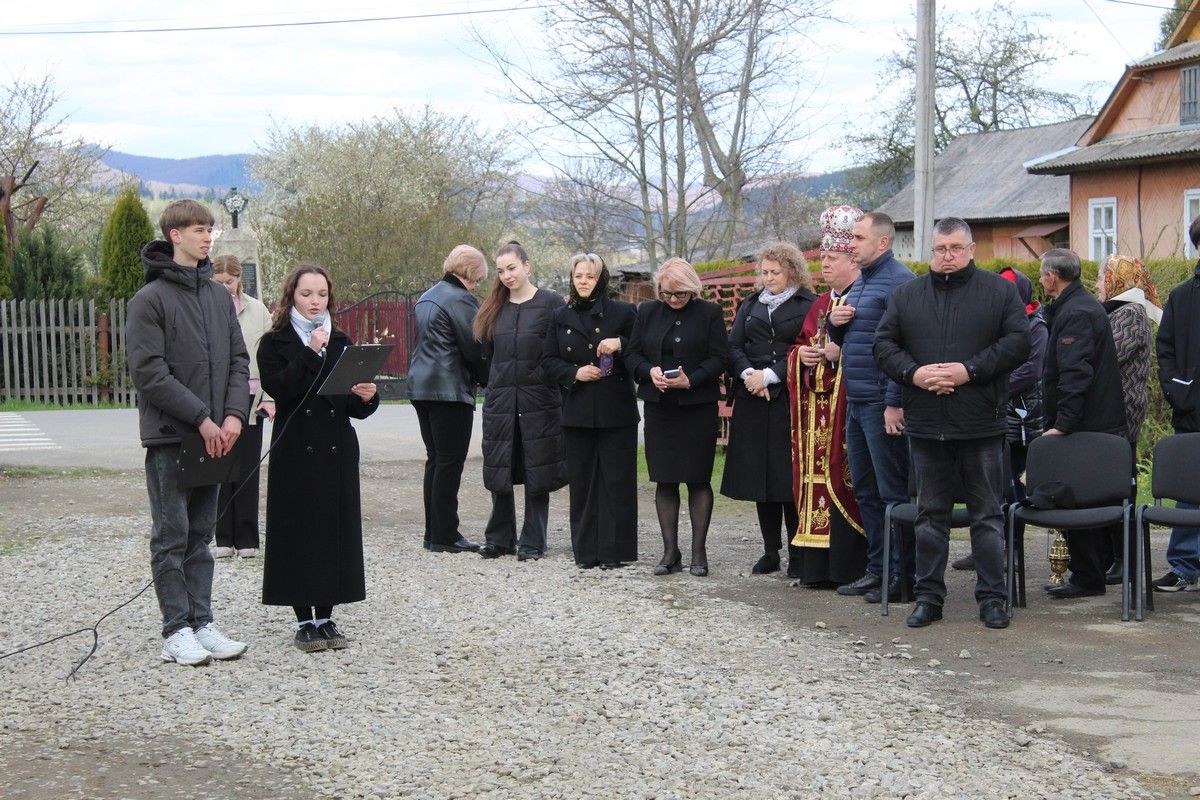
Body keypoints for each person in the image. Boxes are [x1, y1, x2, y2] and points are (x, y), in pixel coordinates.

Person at [875, 217, 1030, 629]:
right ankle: (928, 598)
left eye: (955, 249)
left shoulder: (999, 292)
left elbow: (1018, 342)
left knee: (987, 515)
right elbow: (883, 345)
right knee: (930, 517)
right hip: (926, 424)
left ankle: (993, 599)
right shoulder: (907, 295)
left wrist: (969, 370)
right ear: (931, 251)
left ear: (971, 249)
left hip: (981, 422)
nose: (947, 257)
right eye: (940, 249)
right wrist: (915, 374)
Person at [126, 199, 249, 666]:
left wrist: (235, 415)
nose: (207, 237)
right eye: (199, 229)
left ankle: (202, 622)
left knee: (201, 536)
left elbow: (239, 360)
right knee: (172, 536)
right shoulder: (149, 300)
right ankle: (175, 630)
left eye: (211, 229)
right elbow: (150, 374)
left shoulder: (218, 297)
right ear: (174, 235)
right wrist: (201, 417)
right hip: (171, 437)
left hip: (218, 433)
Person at [258, 263, 379, 652]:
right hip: (295, 448)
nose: (315, 302)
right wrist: (310, 353)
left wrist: (367, 397)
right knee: (297, 530)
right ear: (292, 295)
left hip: (336, 449)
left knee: (332, 530)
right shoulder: (274, 342)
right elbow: (281, 389)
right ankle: (302, 619)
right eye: (307, 294)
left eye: (322, 295)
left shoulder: (341, 340)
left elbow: (350, 408)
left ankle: (326, 616)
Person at [831, 209, 916, 604]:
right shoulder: (862, 283)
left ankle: (903, 575)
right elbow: (855, 339)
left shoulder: (900, 283)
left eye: (859, 238)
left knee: (892, 492)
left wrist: (893, 403)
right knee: (865, 489)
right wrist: (835, 323)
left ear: (882, 242)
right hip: (857, 399)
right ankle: (878, 568)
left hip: (882, 404)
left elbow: (906, 349)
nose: (851, 245)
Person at [626, 258, 729, 577]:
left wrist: (693, 379)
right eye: (668, 293)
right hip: (660, 407)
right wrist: (649, 371)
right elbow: (632, 355)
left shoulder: (709, 313)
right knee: (665, 479)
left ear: (693, 289)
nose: (673, 299)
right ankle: (671, 551)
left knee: (698, 479)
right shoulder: (646, 312)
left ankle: (699, 552)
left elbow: (720, 357)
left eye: (680, 294)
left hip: (697, 406)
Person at [720, 243, 816, 576]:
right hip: (752, 399)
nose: (769, 278)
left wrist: (772, 375)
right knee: (760, 478)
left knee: (787, 476)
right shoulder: (750, 304)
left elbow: (806, 347)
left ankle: (798, 551)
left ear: (792, 270)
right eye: (765, 272)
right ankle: (770, 550)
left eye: (775, 272)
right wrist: (748, 375)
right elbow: (733, 344)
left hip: (788, 398)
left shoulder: (808, 303)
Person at [1038, 248, 1128, 599]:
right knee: (1082, 502)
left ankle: (1088, 577)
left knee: (1078, 500)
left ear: (1054, 276)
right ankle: (1089, 575)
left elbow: (1076, 373)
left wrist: (1063, 423)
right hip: (1091, 423)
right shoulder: (1080, 306)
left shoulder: (1075, 313)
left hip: (1084, 426)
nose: (1042, 280)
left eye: (1044, 274)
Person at [542, 253, 640, 568]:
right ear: (571, 279)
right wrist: (575, 374)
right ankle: (585, 551)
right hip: (578, 409)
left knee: (616, 482)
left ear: (602, 279)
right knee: (582, 482)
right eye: (578, 276)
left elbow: (642, 350)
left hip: (616, 410)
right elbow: (548, 361)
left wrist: (620, 344)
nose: (583, 281)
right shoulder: (559, 315)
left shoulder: (624, 312)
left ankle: (615, 552)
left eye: (590, 276)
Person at [786, 213, 867, 587]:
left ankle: (849, 568)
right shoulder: (820, 304)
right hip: (814, 413)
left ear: (853, 261)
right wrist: (801, 358)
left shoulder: (865, 300)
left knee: (846, 478)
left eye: (831, 259)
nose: (825, 265)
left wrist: (840, 353)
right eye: (822, 259)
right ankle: (816, 569)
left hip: (847, 411)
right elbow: (801, 345)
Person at [474, 241, 567, 561]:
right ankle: (499, 538)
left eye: (511, 268)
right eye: (500, 271)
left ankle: (533, 540)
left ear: (527, 266)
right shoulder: (493, 307)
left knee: (536, 470)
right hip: (501, 401)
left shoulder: (552, 304)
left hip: (539, 400)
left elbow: (560, 352)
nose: (506, 276)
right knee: (499, 469)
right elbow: (486, 355)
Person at [952, 266, 1048, 572]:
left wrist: (989, 383)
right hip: (991, 415)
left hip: (1022, 419)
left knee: (1014, 489)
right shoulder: (989, 323)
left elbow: (1030, 371)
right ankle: (986, 549)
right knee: (987, 487)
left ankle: (1011, 550)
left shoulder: (1035, 326)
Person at [407, 245, 489, 554]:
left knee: (436, 460)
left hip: (421, 387)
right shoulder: (461, 299)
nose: (477, 285)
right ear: (470, 273)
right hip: (449, 390)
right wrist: (488, 377)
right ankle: (446, 534)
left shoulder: (428, 296)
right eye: (478, 278)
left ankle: (434, 533)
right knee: (450, 462)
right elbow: (473, 345)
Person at [1097, 254, 1161, 585]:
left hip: (1123, 413)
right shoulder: (1120, 310)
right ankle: (1112, 557)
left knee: (1121, 487)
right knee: (1109, 485)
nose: (1097, 286)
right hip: (1113, 412)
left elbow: (1108, 354)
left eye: (1101, 278)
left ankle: (1124, 559)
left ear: (1116, 280)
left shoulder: (1130, 313)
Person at [210, 254, 274, 559]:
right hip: (217, 399)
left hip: (251, 397)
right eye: (219, 283)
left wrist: (269, 397)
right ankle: (223, 537)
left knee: (248, 468)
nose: (225, 287)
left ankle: (248, 537)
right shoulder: (205, 307)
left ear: (239, 280)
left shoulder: (258, 310)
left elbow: (269, 356)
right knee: (222, 467)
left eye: (230, 282)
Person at [1153, 216, 1200, 592]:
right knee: (1189, 488)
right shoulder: (1182, 296)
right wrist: (1177, 391)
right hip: (1192, 409)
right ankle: (1184, 565)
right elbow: (1164, 348)